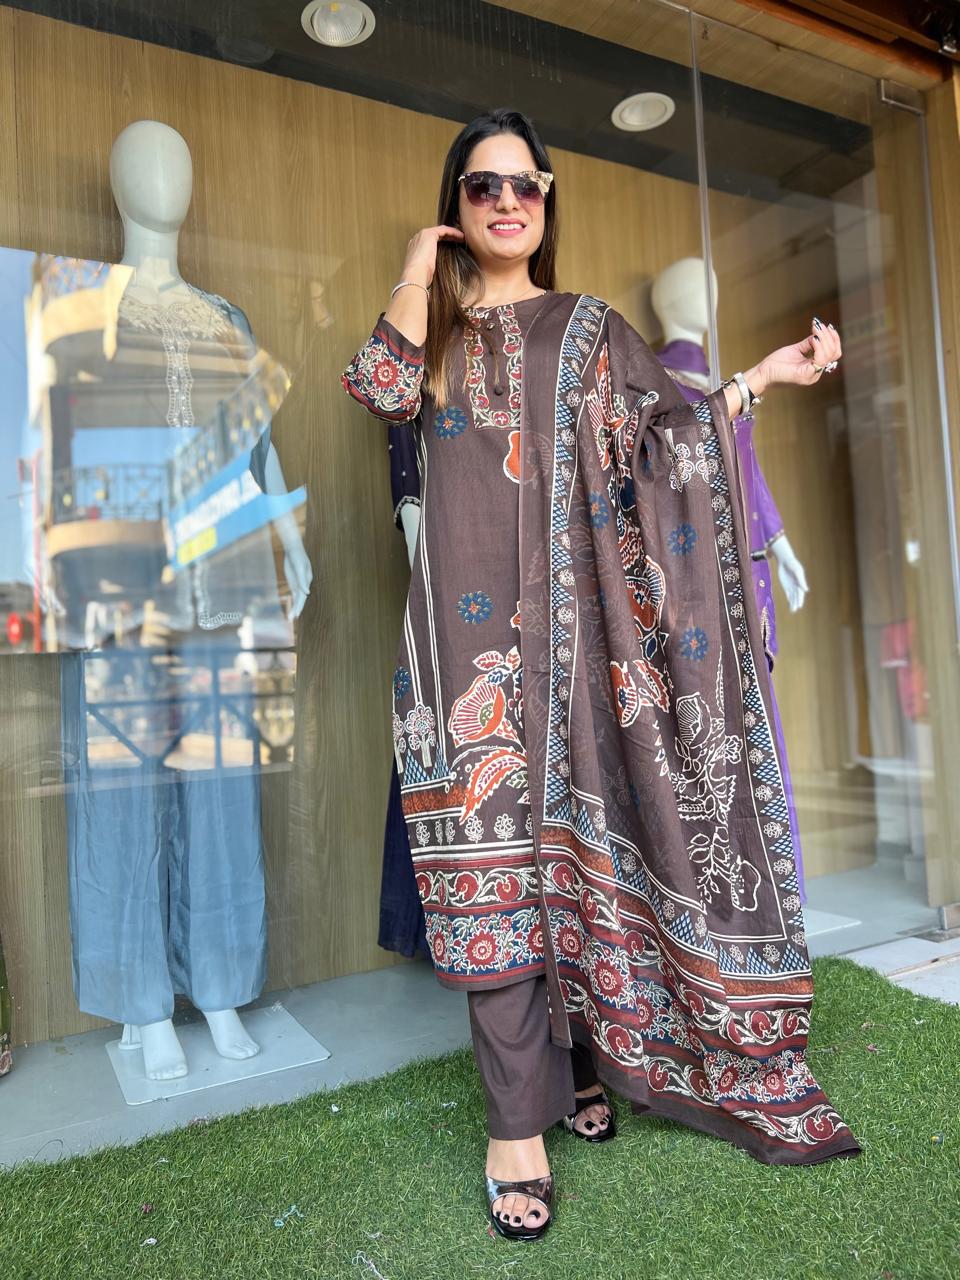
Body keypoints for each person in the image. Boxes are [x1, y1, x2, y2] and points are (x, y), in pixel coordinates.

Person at [341, 107, 859, 1243]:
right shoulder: (428, 333)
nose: (507, 202)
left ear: (548, 199)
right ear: (455, 204)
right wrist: (417, 268)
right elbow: (376, 390)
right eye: (482, 187)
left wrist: (759, 378)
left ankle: (581, 1065)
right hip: (463, 657)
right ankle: (513, 1134)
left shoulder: (588, 329)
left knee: (580, 855)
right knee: (491, 881)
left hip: (578, 655)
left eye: (525, 184)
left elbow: (668, 444)